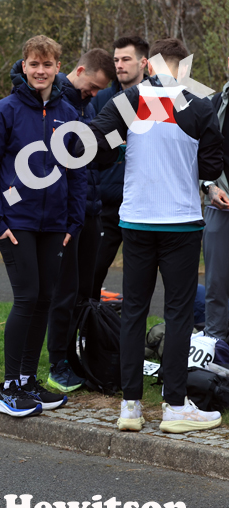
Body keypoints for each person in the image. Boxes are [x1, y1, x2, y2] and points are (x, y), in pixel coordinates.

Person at [84, 38, 224, 433]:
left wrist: (124, 144)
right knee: (178, 315)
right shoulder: (198, 106)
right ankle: (175, 407)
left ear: (150, 65)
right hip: (180, 222)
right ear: (183, 69)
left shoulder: (128, 102)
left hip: (137, 222)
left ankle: (130, 407)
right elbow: (213, 162)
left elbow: (97, 147)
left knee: (134, 312)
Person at [0, 35, 86, 416]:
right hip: (15, 221)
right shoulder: (2, 112)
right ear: (23, 66)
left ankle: (27, 380)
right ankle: (7, 388)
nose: (40, 71)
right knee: (27, 297)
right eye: (33, 64)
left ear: (58, 68)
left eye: (48, 64)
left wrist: (74, 219)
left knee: (44, 300)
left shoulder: (69, 114)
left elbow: (78, 171)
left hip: (55, 224)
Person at [15, 48, 114, 392]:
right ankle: (57, 363)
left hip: (88, 209)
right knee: (62, 292)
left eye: (101, 90)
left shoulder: (86, 105)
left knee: (85, 293)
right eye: (93, 86)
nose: (95, 93)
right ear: (78, 69)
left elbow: (88, 160)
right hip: (59, 216)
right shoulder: (56, 106)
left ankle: (77, 359)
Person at [90, 36, 149, 300]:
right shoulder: (101, 97)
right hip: (107, 205)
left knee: (143, 285)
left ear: (144, 62)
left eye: (126, 59)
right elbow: (90, 144)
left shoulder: (158, 98)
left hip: (146, 207)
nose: (119, 65)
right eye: (116, 60)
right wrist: (119, 138)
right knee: (91, 276)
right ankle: (87, 337)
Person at [201, 56, 229, 342]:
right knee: (216, 285)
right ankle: (216, 349)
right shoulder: (213, 104)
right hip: (220, 205)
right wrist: (208, 185)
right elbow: (198, 154)